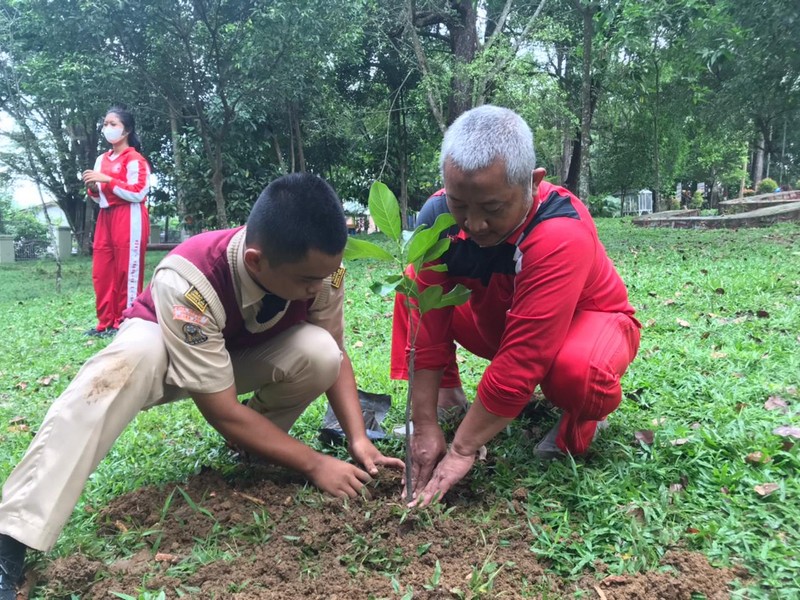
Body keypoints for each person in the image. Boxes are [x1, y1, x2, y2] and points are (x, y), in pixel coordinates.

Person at [0, 173, 404, 598]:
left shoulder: (324, 271)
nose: (318, 288)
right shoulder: (190, 278)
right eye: (306, 281)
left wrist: (358, 439)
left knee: (321, 352)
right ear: (255, 261)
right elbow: (222, 410)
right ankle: (11, 533)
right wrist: (315, 463)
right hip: (164, 349)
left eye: (324, 275)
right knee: (116, 372)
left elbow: (337, 353)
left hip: (237, 355)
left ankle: (258, 448)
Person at [390, 105, 641, 507]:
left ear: (533, 182)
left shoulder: (560, 230)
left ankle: (581, 419)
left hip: (586, 323)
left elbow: (523, 358)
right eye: (460, 204)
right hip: (501, 319)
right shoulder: (436, 217)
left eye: (492, 209)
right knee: (413, 289)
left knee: (577, 374)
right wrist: (424, 425)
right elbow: (429, 328)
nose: (473, 225)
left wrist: (461, 449)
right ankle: (450, 398)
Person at [82, 105, 151, 337]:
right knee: (102, 271)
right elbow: (98, 194)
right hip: (106, 216)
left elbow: (139, 192)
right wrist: (93, 187)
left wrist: (108, 180)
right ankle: (105, 323)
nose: (107, 128)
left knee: (127, 271)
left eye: (113, 124)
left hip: (129, 216)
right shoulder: (102, 159)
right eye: (105, 124)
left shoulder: (135, 159)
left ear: (126, 130)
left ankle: (126, 322)